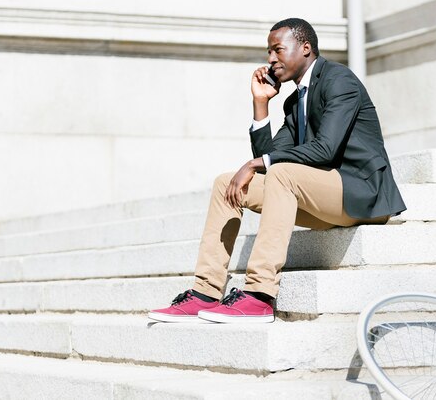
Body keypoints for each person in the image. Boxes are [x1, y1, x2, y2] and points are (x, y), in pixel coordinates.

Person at [149, 18, 406, 324]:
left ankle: (259, 296)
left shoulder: (340, 81)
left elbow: (324, 149)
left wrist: (260, 164)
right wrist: (261, 105)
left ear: (306, 48)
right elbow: (266, 165)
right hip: (324, 198)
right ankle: (205, 291)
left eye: (277, 49)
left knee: (282, 172)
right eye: (269, 52)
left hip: (362, 193)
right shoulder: (295, 101)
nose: (270, 59)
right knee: (226, 183)